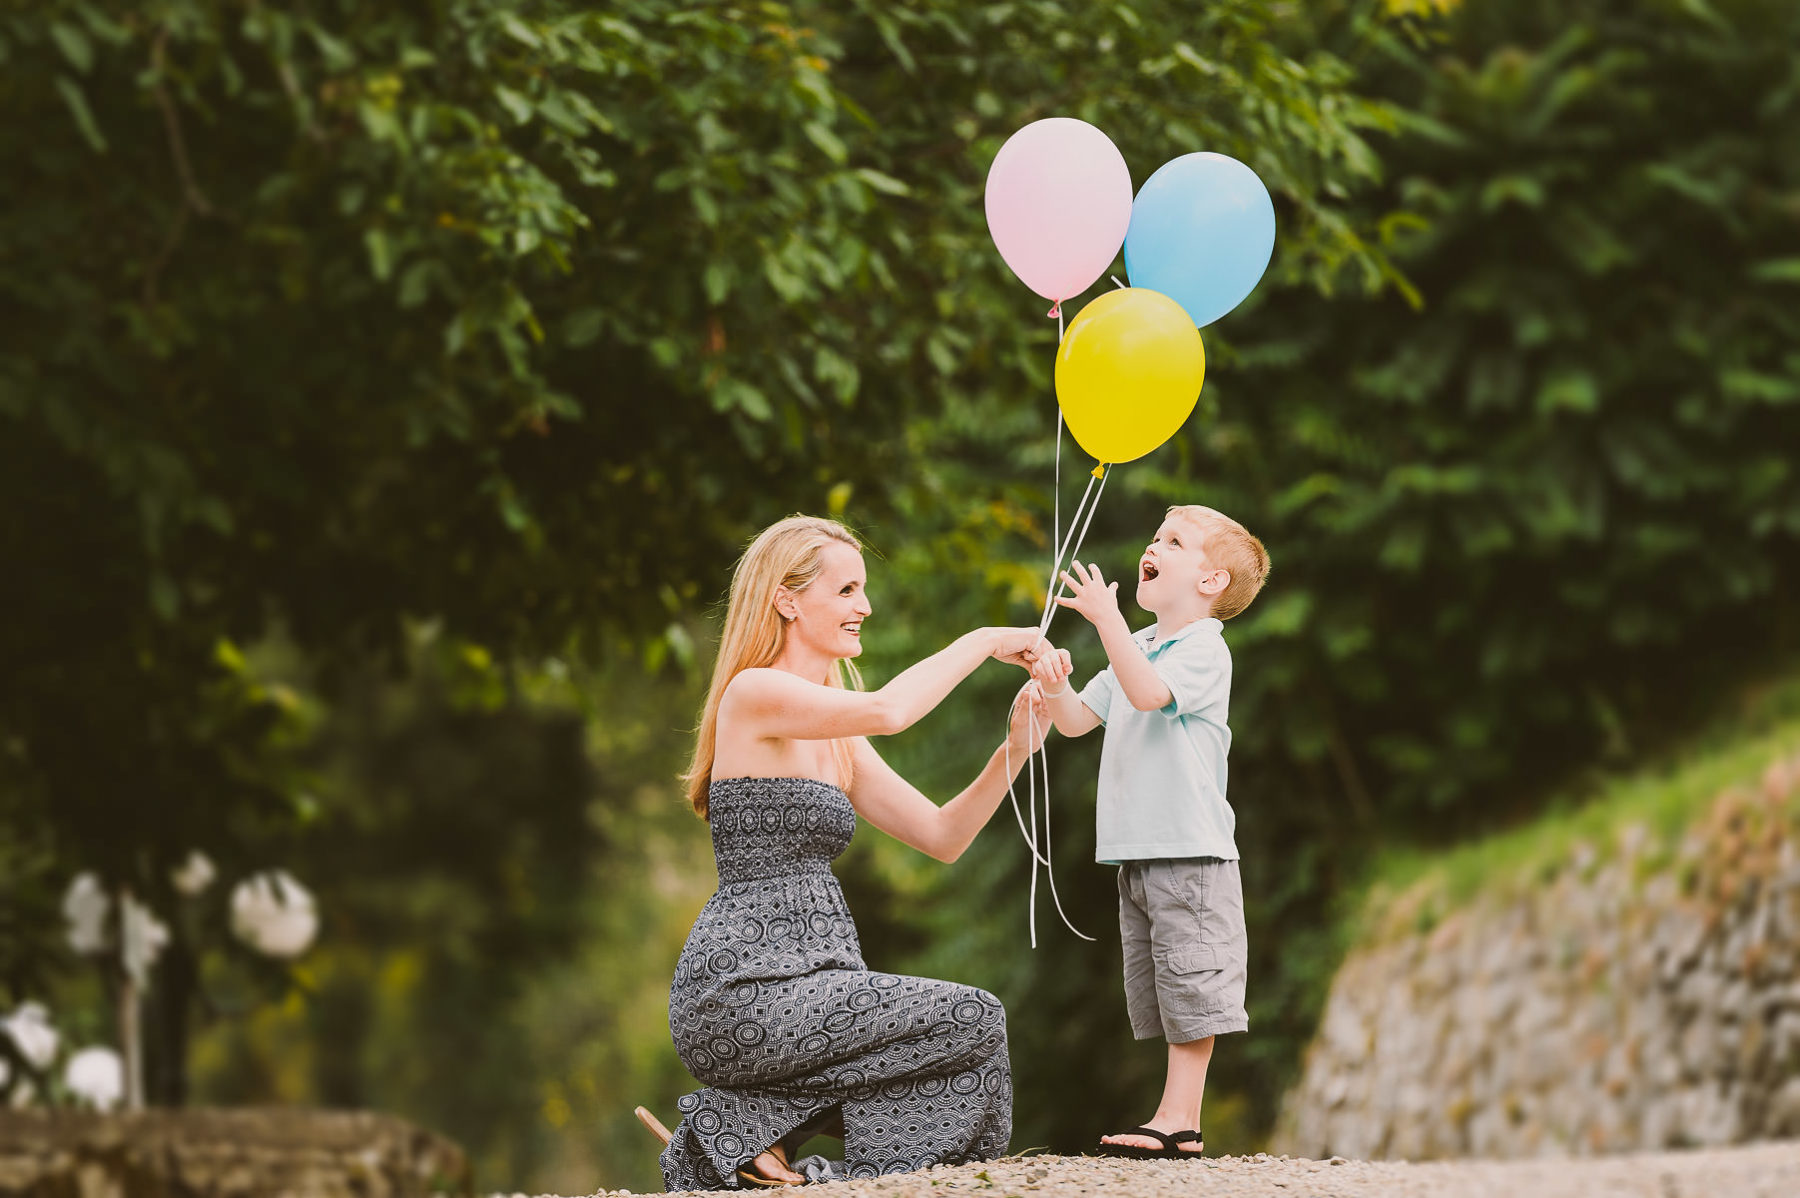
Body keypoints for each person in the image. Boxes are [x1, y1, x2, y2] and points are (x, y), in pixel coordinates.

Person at [650, 514, 1056, 1189]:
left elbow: (942, 837)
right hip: (741, 990)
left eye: (862, 589)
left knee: (972, 1058)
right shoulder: (753, 694)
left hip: (820, 983)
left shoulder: (836, 734)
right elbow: (893, 710)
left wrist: (1014, 750)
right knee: (976, 1018)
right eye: (845, 590)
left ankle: (745, 1129)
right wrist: (986, 639)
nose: (864, 606)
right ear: (786, 599)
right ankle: (746, 1135)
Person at [1030, 504, 1271, 1160]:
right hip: (1140, 854)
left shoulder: (1204, 649)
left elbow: (1148, 697)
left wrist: (1106, 621)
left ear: (1211, 581)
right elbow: (1077, 720)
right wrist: (1053, 683)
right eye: (1156, 536)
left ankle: (1180, 1120)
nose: (1154, 546)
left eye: (1175, 541)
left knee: (1193, 981)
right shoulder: (1137, 645)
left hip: (1191, 851)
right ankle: (1175, 1118)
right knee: (1163, 986)